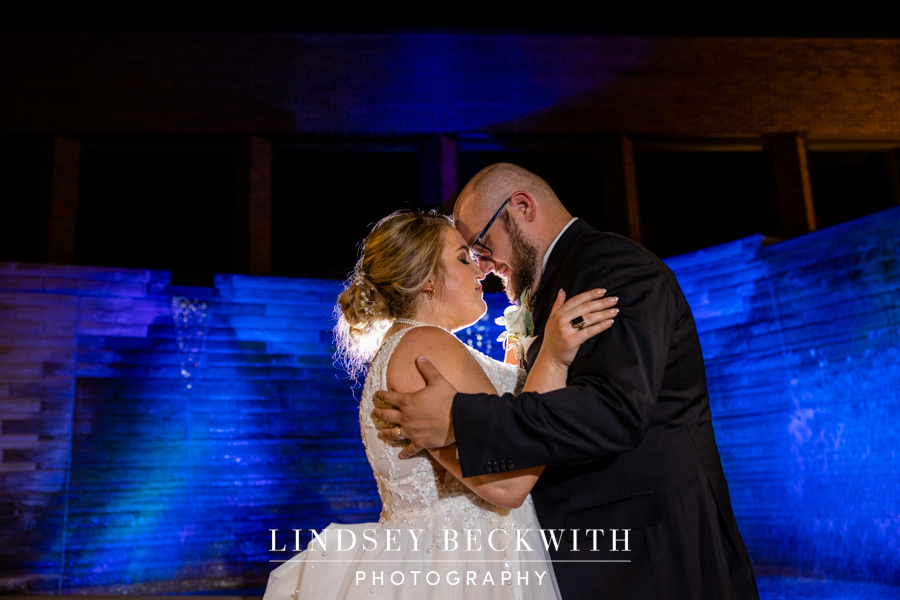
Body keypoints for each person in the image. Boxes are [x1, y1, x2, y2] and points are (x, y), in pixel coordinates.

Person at [374, 164, 760, 600]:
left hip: (649, 554)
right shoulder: (553, 282)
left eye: (480, 245)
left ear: (520, 207)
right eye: (468, 255)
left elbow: (614, 408)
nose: (482, 265)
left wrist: (459, 420)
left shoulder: (607, 264)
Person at [262, 209, 620, 600]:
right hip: (461, 565)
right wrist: (552, 357)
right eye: (464, 258)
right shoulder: (424, 346)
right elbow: (509, 482)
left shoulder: (409, 345)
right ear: (428, 281)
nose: (479, 270)